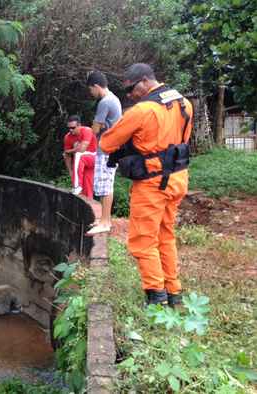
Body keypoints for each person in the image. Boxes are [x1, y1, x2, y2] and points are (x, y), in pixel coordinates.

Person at [99, 63, 193, 306]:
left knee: (143, 240)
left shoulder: (142, 111)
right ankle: (174, 293)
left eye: (131, 89)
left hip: (152, 184)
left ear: (143, 81)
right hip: (178, 179)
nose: (129, 95)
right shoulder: (184, 103)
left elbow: (106, 144)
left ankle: (156, 297)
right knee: (165, 235)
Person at [86, 70, 123, 235]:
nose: (91, 93)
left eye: (90, 90)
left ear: (95, 86)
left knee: (105, 186)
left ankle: (105, 222)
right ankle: (103, 219)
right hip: (112, 147)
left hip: (107, 149)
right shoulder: (114, 98)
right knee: (104, 184)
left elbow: (95, 129)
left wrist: (92, 127)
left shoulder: (105, 102)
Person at [62, 115, 97, 198]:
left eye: (73, 128)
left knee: (79, 155)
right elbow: (67, 156)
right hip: (83, 163)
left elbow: (82, 149)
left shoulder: (87, 130)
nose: (71, 130)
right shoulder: (67, 137)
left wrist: (69, 151)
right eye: (69, 128)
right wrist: (70, 171)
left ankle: (76, 186)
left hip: (94, 157)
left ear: (79, 125)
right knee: (87, 188)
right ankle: (88, 203)